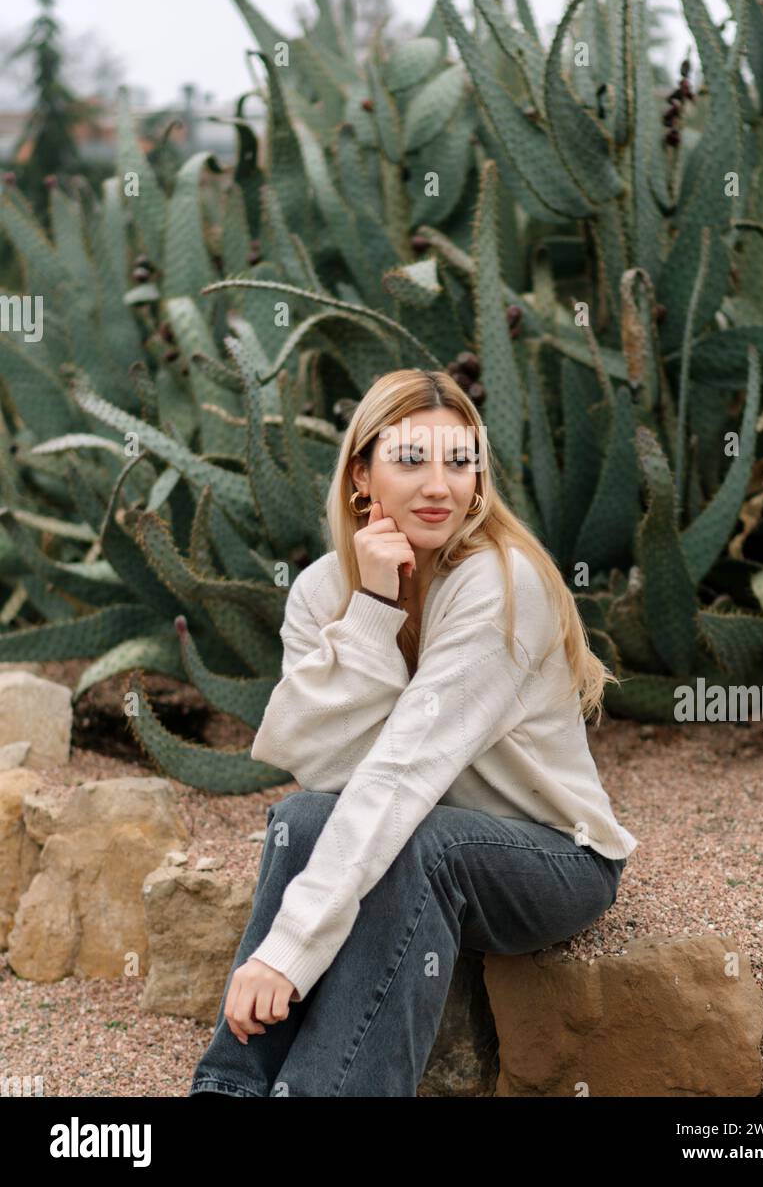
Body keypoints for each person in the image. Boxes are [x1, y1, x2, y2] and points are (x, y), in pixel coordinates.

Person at [188, 367, 638, 1098]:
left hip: (555, 860)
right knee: (301, 821)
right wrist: (370, 606)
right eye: (411, 461)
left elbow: (404, 772)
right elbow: (316, 762)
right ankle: (228, 1089)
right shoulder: (319, 591)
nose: (439, 486)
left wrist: (290, 950)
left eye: (460, 463)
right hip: (422, 838)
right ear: (361, 475)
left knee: (415, 843)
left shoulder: (502, 584)